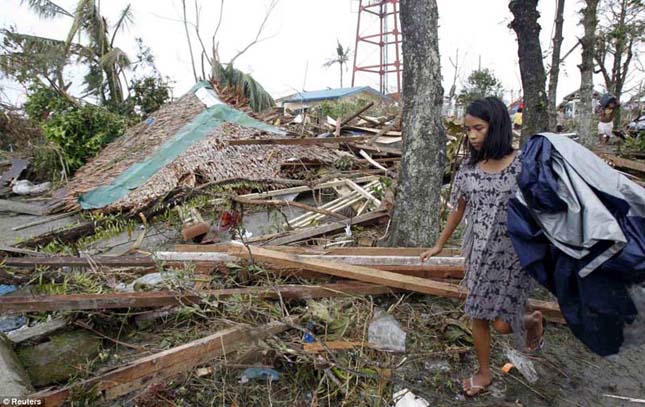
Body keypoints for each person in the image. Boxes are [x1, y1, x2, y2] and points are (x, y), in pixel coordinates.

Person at [420, 97, 544, 397]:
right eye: (468, 130)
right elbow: (458, 209)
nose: (472, 136)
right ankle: (485, 372)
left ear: (497, 126)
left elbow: (542, 206)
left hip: (514, 257)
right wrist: (439, 244)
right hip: (479, 253)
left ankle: (531, 321)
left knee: (502, 324)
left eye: (479, 128)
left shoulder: (522, 165)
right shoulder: (469, 170)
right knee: (478, 314)